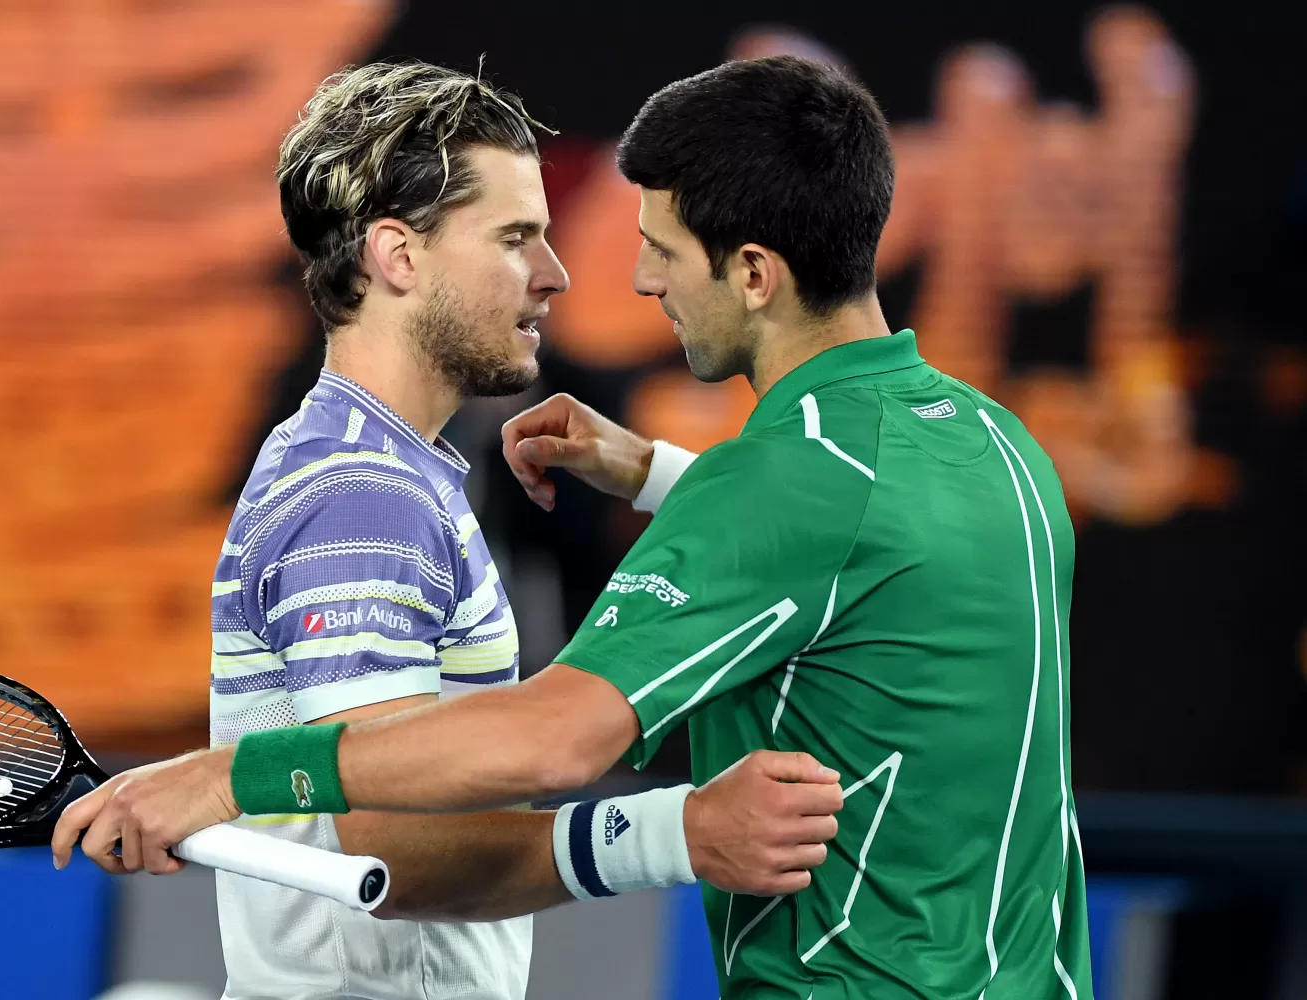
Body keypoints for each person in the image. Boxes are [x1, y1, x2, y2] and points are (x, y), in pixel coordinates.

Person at [55, 56, 1093, 999]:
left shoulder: (774, 488)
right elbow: (389, 854)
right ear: (397, 257)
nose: (594, 278)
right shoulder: (997, 447)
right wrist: (673, 827)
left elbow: (555, 738)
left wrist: (226, 775)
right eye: (518, 238)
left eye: (663, 251)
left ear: (755, 275)